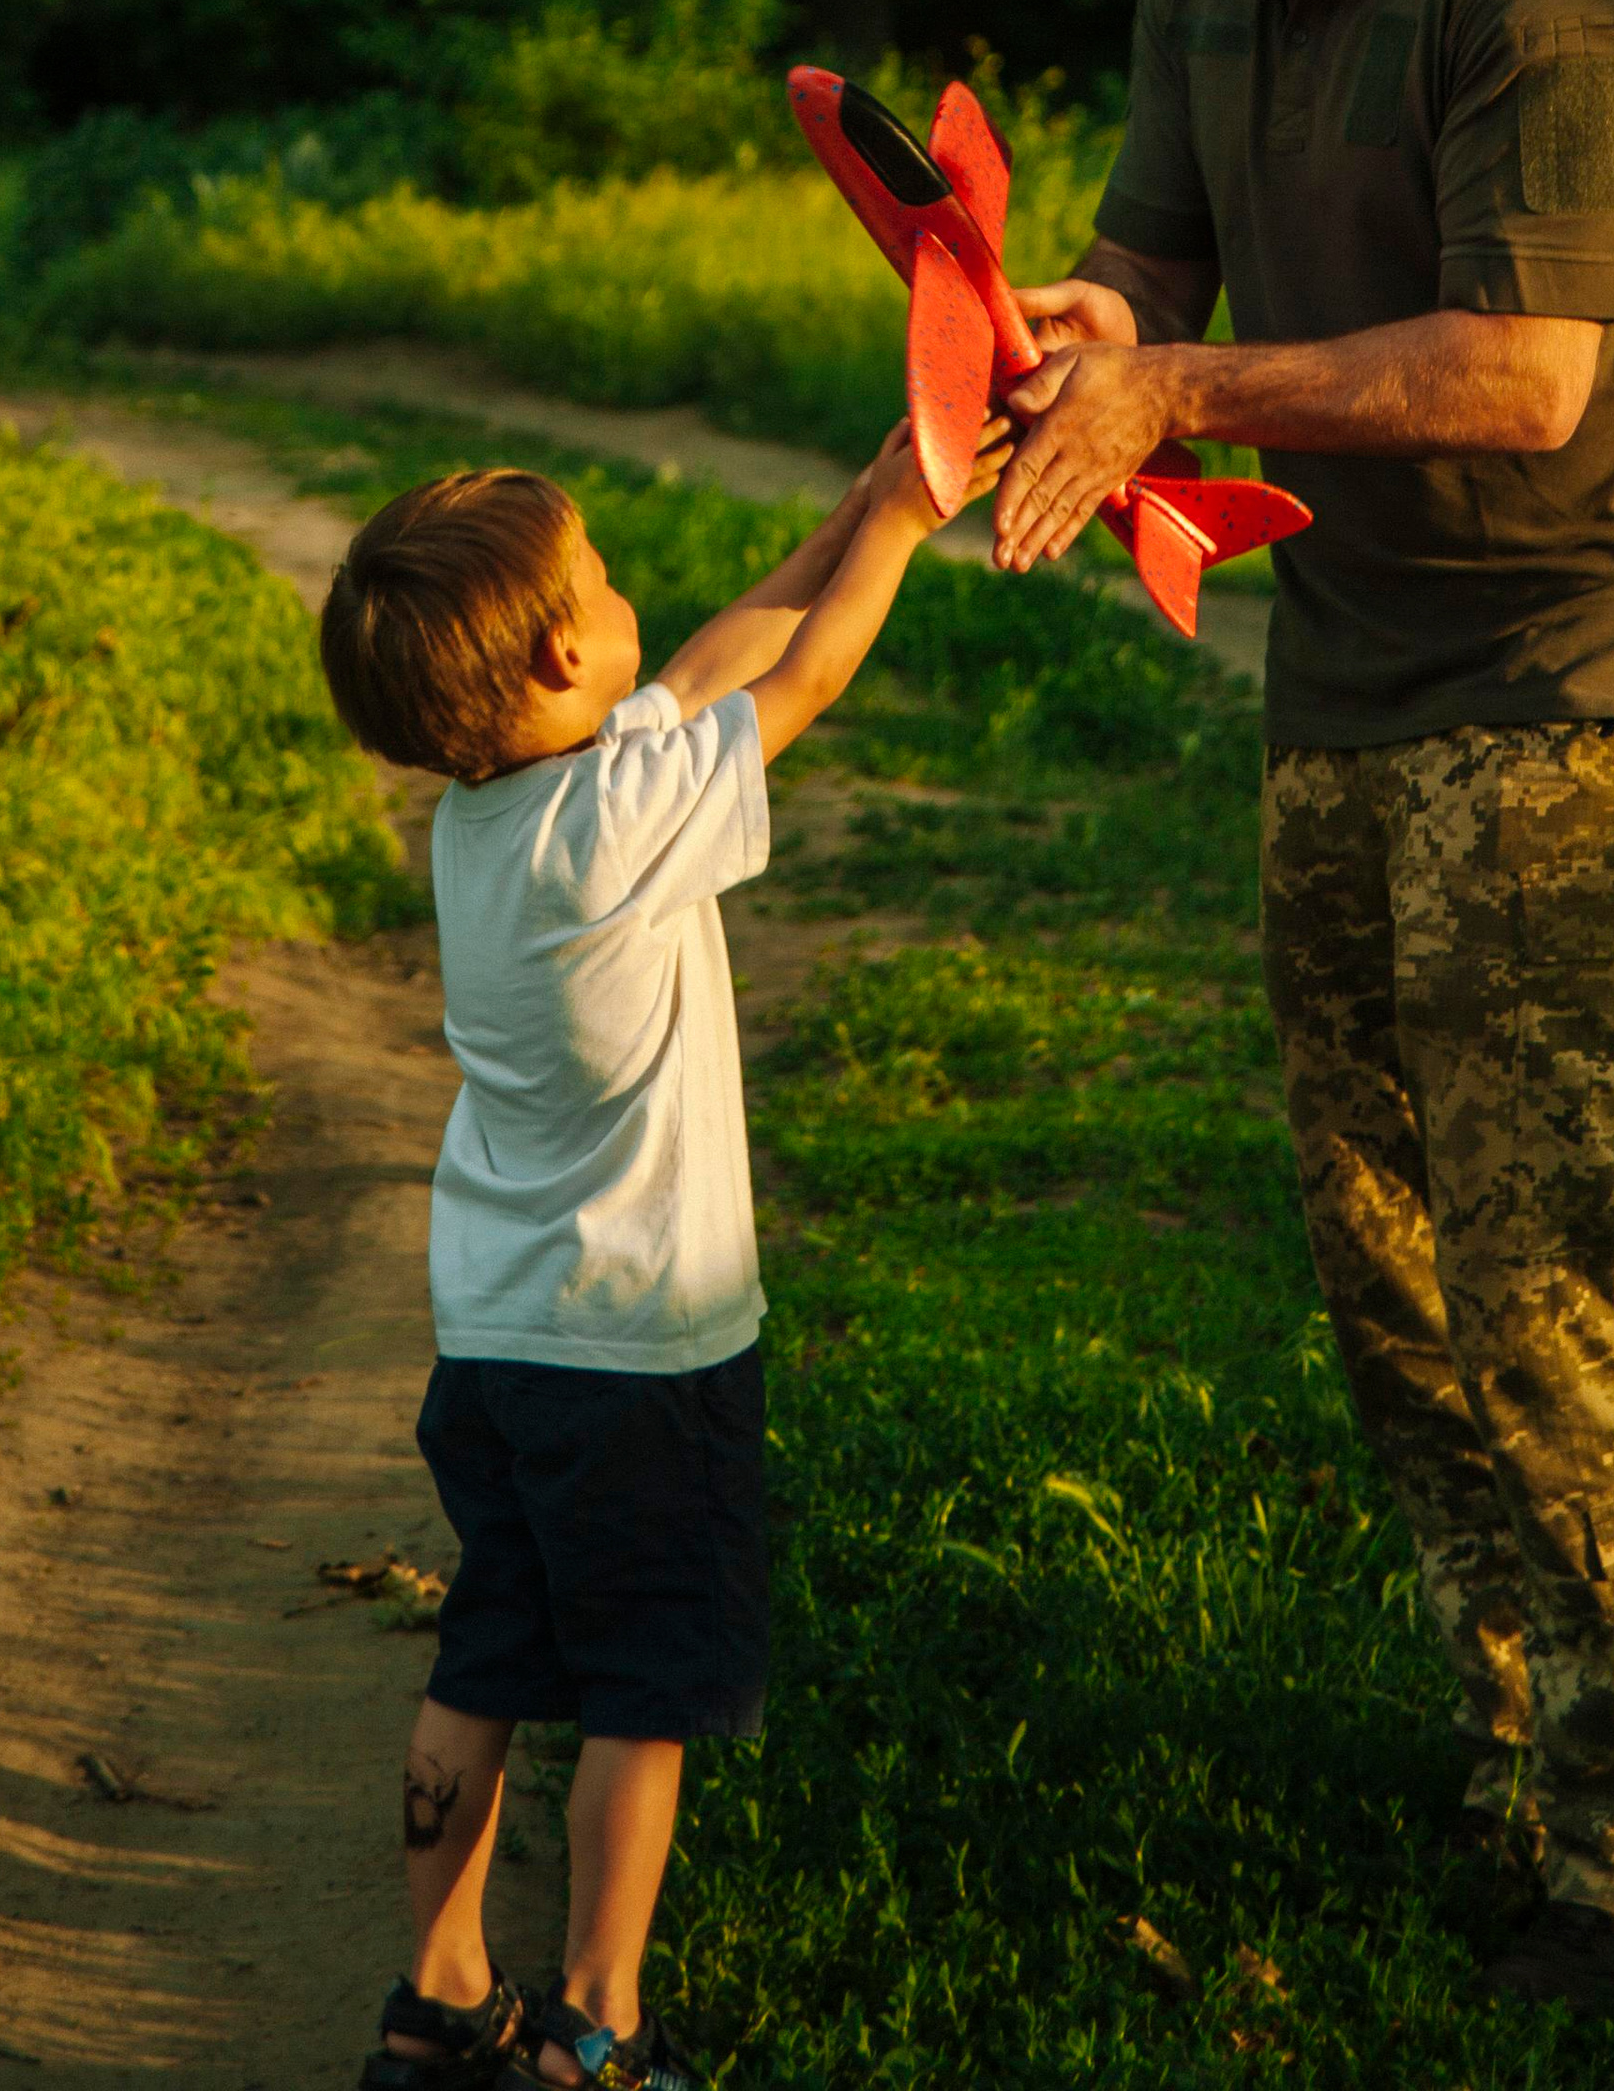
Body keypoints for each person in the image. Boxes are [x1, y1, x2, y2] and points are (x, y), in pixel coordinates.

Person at [990, 0, 1614, 2010]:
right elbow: (1150, 275)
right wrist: (1060, 336)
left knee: (1549, 1283)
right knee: (1384, 1276)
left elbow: (1525, 375)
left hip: (1559, 672)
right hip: (1338, 685)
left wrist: (1179, 399)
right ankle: (1508, 1760)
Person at [318, 422, 1001, 2091]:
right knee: (643, 1691)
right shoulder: (623, 817)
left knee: (491, 1648)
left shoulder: (488, 826)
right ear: (563, 651)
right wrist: (902, 536)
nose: (636, 605)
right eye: (605, 585)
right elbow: (798, 682)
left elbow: (696, 674)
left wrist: (855, 503)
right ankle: (601, 2023)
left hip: (500, 1342)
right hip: (644, 1351)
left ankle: (440, 1992)